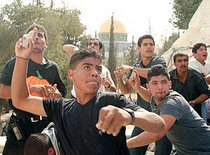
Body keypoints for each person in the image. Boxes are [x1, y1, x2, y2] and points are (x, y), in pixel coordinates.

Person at [11, 35, 165, 155]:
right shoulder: (60, 108)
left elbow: (158, 123)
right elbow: (20, 100)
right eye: (86, 67)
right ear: (71, 74)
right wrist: (22, 58)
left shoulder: (112, 101)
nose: (94, 73)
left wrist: (129, 116)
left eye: (98, 69)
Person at [0, 24, 66, 155]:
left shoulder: (53, 68)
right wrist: (31, 89)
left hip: (45, 127)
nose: (36, 38)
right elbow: (1, 91)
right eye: (32, 35)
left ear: (45, 43)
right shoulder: (16, 63)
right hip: (20, 127)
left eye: (40, 35)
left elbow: (61, 95)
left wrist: (54, 95)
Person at [127, 65, 210, 155]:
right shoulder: (158, 98)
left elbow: (157, 133)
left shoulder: (171, 102)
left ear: (169, 84)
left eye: (164, 82)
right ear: (148, 86)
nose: (160, 87)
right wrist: (138, 88)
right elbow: (150, 97)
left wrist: (124, 144)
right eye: (155, 83)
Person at [115, 35, 171, 155]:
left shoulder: (159, 61)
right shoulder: (137, 66)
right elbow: (126, 90)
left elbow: (154, 74)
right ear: (139, 48)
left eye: (151, 44)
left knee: (162, 152)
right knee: (133, 151)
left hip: (161, 116)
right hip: (143, 116)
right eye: (145, 44)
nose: (149, 47)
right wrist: (119, 78)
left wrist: (130, 69)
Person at [169, 53, 209, 118]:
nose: (183, 63)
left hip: (196, 111)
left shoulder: (196, 76)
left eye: (185, 60)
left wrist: (194, 102)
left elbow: (206, 93)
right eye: (179, 61)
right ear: (175, 64)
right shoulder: (169, 77)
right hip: (176, 111)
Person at [189, 43, 210, 122]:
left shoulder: (208, 65)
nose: (204, 52)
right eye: (201, 50)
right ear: (194, 54)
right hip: (196, 95)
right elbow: (201, 82)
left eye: (205, 50)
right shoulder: (192, 65)